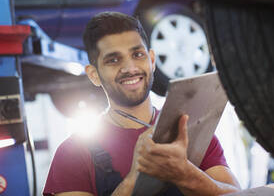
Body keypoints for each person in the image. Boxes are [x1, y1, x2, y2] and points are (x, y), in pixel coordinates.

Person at [43, 12, 241, 196]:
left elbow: (236, 194)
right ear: (94, 75)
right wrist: (135, 177)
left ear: (152, 60)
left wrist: (184, 173)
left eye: (137, 55)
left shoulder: (190, 130)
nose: (129, 68)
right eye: (113, 60)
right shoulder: (72, 153)